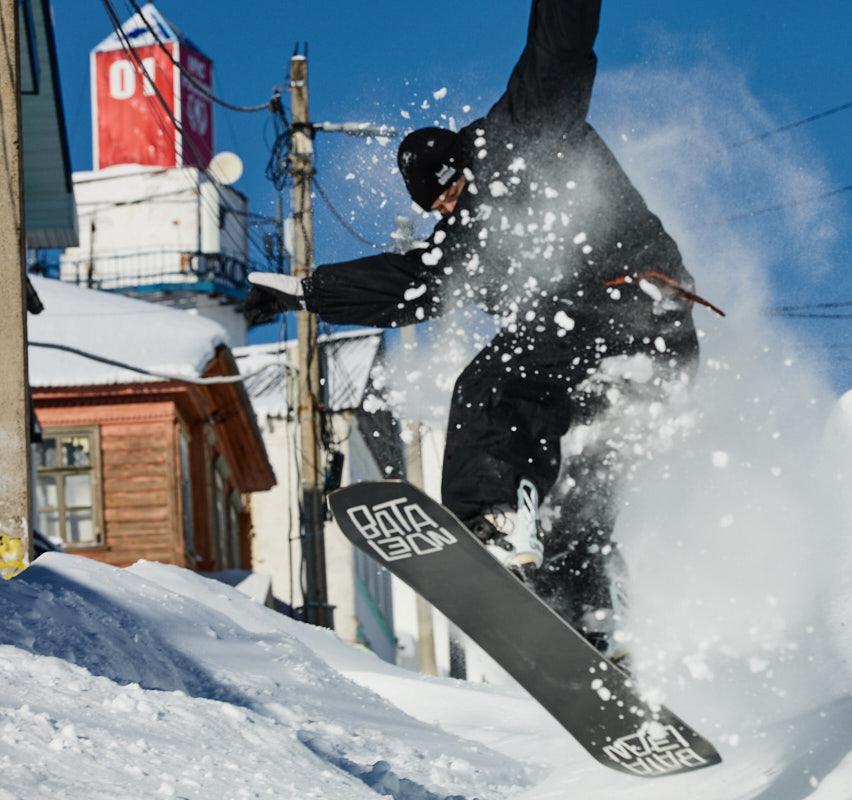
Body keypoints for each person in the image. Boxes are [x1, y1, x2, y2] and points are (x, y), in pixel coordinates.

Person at [244, 0, 720, 656]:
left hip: (633, 309)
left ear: (459, 166)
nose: (447, 210)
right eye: (435, 208)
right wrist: (304, 293)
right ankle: (593, 631)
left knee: (489, 384)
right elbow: (408, 284)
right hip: (636, 367)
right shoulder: (463, 241)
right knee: (577, 493)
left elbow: (558, 52)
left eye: (447, 194)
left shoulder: (523, 130)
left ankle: (488, 519)